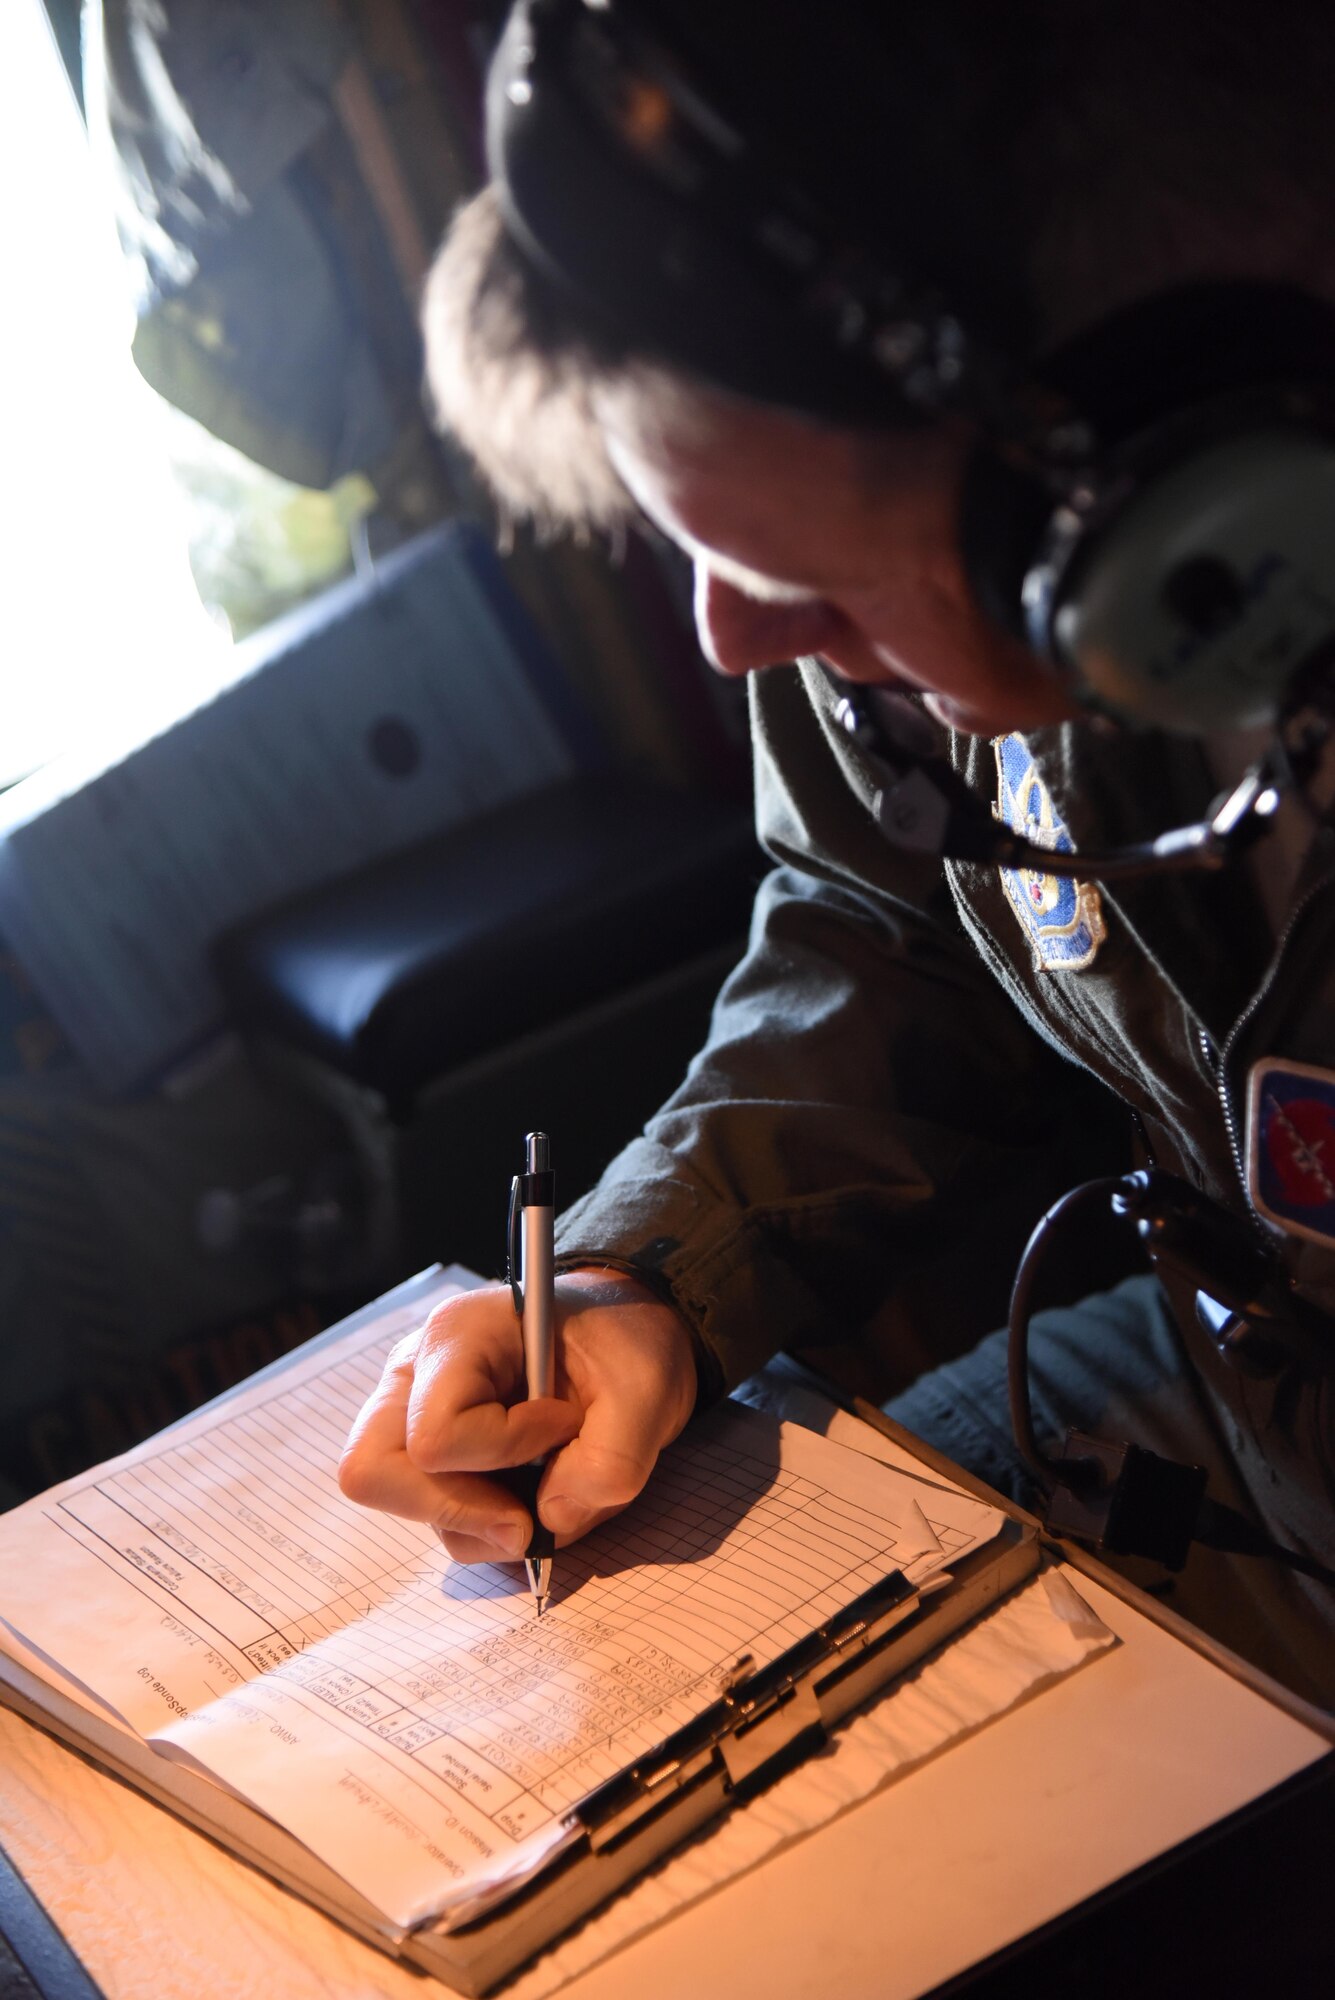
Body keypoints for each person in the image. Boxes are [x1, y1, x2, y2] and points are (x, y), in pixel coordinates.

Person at [338, 0, 1335, 1707]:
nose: (738, 641)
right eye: (704, 553)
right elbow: (889, 915)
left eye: (813, 581)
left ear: (1166, 480)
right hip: (1244, 1392)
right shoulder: (921, 598)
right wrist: (646, 1271)